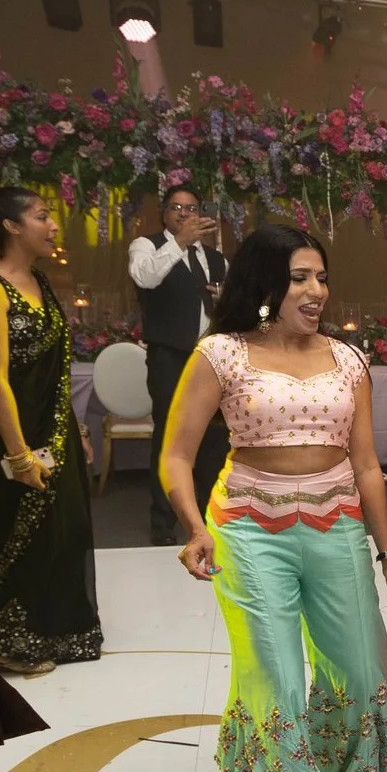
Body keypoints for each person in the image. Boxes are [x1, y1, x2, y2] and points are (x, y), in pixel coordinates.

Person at [161, 225, 387, 772]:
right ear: (267, 285)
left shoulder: (349, 360)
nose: (317, 290)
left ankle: (338, 763)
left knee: (359, 666)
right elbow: (178, 453)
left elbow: (366, 463)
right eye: (301, 277)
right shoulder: (222, 354)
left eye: (322, 278)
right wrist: (192, 526)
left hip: (335, 521)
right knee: (271, 673)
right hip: (247, 526)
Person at [0, 189, 103, 675]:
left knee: (65, 528)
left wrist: (73, 428)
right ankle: (11, 639)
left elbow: (57, 368)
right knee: (17, 531)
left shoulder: (38, 279)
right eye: (42, 216)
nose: (53, 225)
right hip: (9, 432)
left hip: (53, 429)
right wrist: (17, 454)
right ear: (12, 227)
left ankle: (56, 628)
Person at [128, 188, 230, 543]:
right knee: (171, 435)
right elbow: (146, 278)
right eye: (177, 208)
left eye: (192, 209)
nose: (185, 214)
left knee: (216, 436)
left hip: (211, 358)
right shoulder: (147, 245)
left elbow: (232, 303)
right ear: (164, 213)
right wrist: (179, 244)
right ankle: (162, 520)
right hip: (169, 355)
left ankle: (208, 516)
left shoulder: (216, 258)